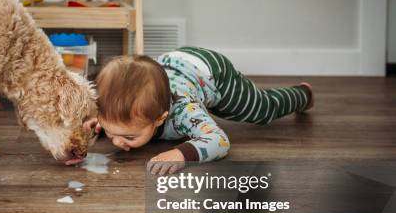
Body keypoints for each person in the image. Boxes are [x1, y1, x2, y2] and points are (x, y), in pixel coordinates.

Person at [85, 47, 313, 175]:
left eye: (129, 137)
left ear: (160, 118)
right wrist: (97, 128)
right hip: (168, 65)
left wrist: (181, 154)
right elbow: (113, 118)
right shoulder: (114, 111)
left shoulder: (185, 111)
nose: (116, 142)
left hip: (212, 73)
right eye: (110, 131)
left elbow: (219, 140)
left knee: (261, 109)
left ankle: (302, 95)